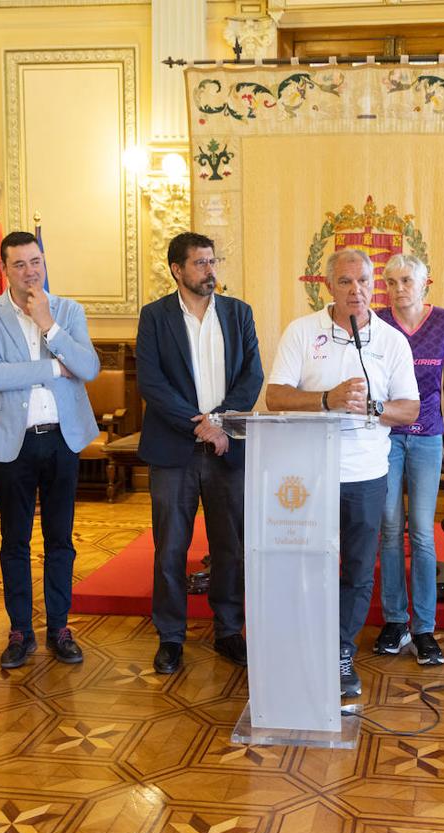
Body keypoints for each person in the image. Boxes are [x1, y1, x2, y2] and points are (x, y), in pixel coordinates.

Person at [266, 249, 420, 697]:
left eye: (365, 282)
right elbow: (275, 396)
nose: (357, 291)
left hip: (366, 473)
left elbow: (409, 408)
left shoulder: (392, 341)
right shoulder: (302, 332)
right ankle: (301, 645)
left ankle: (339, 652)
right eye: (347, 282)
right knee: (306, 563)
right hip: (307, 473)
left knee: (357, 569)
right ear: (328, 286)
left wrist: (374, 408)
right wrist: (325, 400)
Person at [0, 231, 101, 669]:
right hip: (12, 443)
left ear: (44, 261)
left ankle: (60, 627)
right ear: (5, 269)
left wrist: (49, 326)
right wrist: (51, 368)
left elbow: (88, 368)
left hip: (63, 440)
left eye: (36, 262)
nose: (30, 272)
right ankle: (20, 631)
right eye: (20, 265)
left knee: (61, 539)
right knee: (15, 541)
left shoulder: (68, 311)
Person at [136, 232, 264, 675]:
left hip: (227, 449)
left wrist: (222, 424)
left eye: (213, 262)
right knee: (171, 546)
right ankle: (171, 636)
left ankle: (228, 629)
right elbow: (151, 383)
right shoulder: (154, 317)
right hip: (174, 451)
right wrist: (200, 424)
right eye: (201, 263)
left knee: (231, 545)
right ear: (177, 269)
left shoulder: (237, 313)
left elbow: (253, 376)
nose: (211, 271)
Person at [374, 255, 444, 666]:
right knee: (390, 530)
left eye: (406, 280)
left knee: (422, 534)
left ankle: (425, 627)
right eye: (391, 282)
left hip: (427, 436)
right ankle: (396, 620)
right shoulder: (375, 322)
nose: (398, 288)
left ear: (425, 283)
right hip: (386, 437)